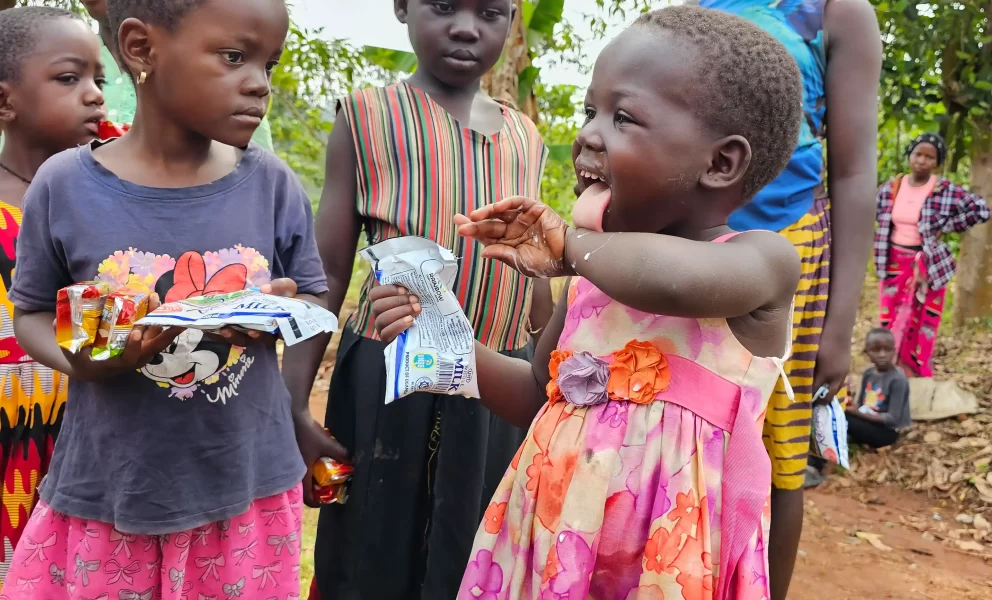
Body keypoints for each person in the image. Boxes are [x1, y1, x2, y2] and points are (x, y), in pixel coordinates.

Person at [373, 6, 802, 596]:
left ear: (720, 163)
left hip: (661, 567)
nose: (588, 136)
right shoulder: (592, 277)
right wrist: (440, 337)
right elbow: (537, 392)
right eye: (589, 112)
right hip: (555, 548)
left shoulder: (761, 262)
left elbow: (673, 281)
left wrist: (571, 247)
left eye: (622, 117)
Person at [2, 0, 325, 598]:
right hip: (111, 488)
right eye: (234, 56)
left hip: (245, 487)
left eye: (269, 65)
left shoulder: (272, 184)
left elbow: (310, 292)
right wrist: (86, 359)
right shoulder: (65, 185)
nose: (259, 83)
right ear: (141, 48)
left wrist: (283, 311)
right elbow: (34, 313)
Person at [289, 0, 553, 596]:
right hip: (386, 381)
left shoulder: (525, 136)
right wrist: (294, 405)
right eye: (442, 6)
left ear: (513, 18)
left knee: (475, 553)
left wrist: (547, 381)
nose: (465, 27)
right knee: (369, 553)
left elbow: (533, 270)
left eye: (490, 12)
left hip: (497, 384)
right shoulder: (366, 117)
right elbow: (326, 271)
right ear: (402, 7)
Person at [688, 0, 880, 594]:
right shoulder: (699, 7)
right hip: (691, 247)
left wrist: (839, 327)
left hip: (794, 250)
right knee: (684, 438)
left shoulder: (838, 13)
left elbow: (853, 173)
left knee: (780, 456)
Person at [0, 7, 107, 588]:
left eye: (98, 79)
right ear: (5, 101)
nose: (94, 94)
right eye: (69, 78)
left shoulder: (109, 203)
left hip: (84, 428)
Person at [79, 0, 274, 149]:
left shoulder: (237, 91)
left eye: (233, 57)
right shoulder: (68, 53)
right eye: (67, 79)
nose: (260, 85)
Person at [876, 133, 990, 377]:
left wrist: (947, 225)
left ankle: (916, 373)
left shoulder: (944, 190)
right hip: (893, 263)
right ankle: (889, 371)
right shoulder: (892, 188)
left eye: (929, 157)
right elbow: (874, 213)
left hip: (928, 267)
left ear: (937, 162)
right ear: (910, 155)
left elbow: (981, 209)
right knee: (890, 317)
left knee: (922, 321)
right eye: (918, 154)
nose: (922, 161)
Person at [844, 327, 910, 448]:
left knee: (845, 418)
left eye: (887, 349)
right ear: (867, 351)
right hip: (868, 420)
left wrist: (856, 413)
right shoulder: (868, 373)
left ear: (894, 351)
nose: (882, 355)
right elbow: (861, 404)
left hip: (887, 432)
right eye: (876, 350)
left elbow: (892, 419)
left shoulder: (898, 379)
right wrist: (849, 405)